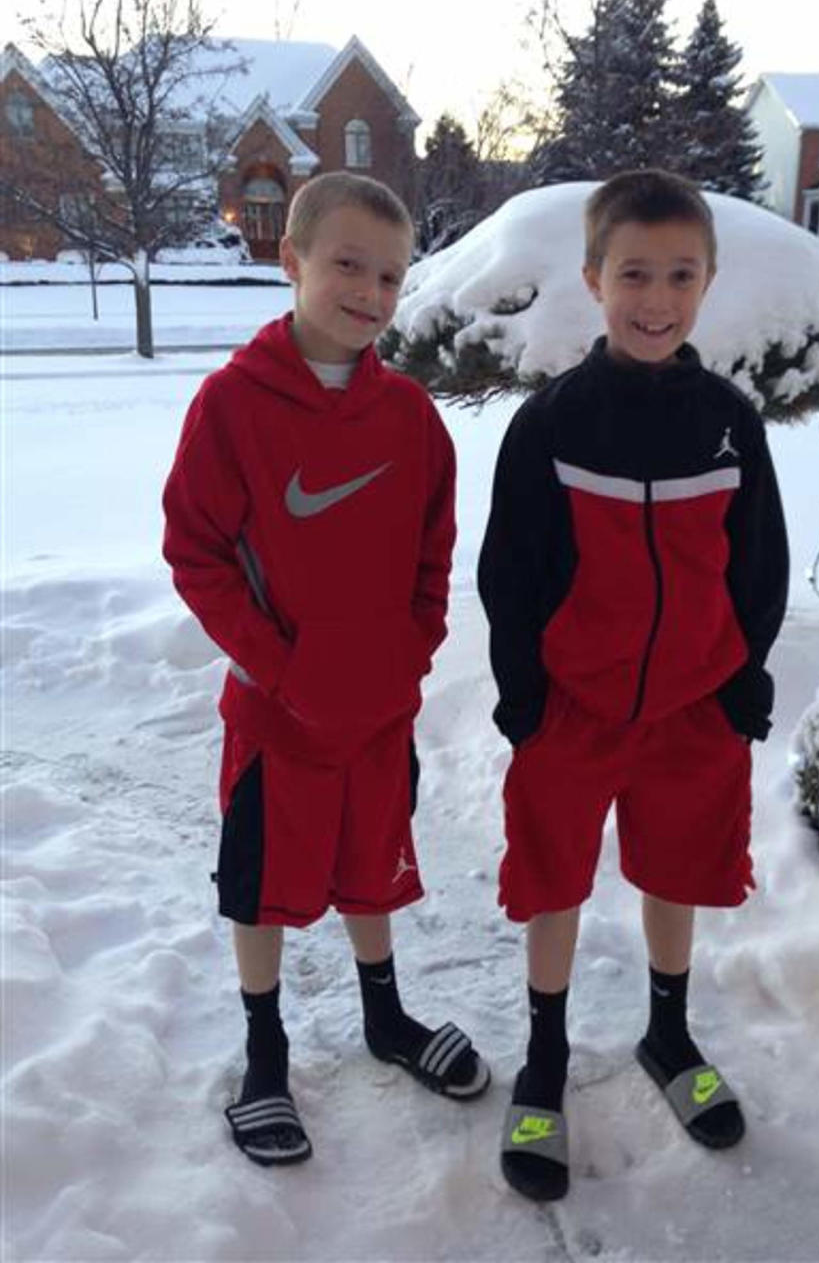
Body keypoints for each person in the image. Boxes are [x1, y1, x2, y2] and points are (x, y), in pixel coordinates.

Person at [162, 171, 490, 1168]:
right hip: (279, 717)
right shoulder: (232, 407)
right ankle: (267, 1051)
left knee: (371, 874)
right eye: (348, 264)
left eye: (391, 274)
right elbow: (196, 552)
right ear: (291, 260)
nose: (371, 291)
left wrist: (412, 650)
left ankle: (387, 1018)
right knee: (260, 887)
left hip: (380, 710)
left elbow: (436, 554)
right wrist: (281, 666)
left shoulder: (411, 420)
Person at [478, 169, 789, 1201]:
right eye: (635, 274)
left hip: (692, 708)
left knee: (676, 866)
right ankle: (546, 1053)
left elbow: (758, 561)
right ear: (593, 278)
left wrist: (745, 671)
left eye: (680, 275)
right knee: (555, 874)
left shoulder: (729, 420)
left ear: (707, 283)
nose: (657, 298)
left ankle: (668, 1030)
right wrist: (522, 688)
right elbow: (509, 568)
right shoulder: (553, 424)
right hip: (574, 705)